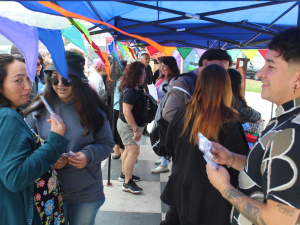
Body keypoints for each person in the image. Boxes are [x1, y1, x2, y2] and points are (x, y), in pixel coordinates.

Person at [206, 27, 300, 225]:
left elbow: (277, 220)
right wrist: (231, 158)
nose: (259, 74)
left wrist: (224, 187)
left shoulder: (292, 134)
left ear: (297, 78)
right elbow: (266, 169)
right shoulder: (286, 119)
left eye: (271, 67)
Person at [23, 51, 114, 225]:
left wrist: (88, 155)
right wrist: (48, 158)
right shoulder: (38, 109)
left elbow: (107, 143)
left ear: (79, 80)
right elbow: (25, 148)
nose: (60, 84)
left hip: (85, 192)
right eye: (54, 78)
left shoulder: (94, 109)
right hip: (46, 192)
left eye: (67, 79)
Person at [161, 64, 248, 225]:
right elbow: (241, 166)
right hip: (211, 198)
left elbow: (169, 146)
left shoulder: (182, 112)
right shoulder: (228, 120)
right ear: (226, 87)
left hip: (183, 187)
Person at [0, 54, 68, 225]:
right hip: (23, 212)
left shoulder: (10, 113)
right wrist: (54, 142)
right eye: (18, 81)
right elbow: (15, 178)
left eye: (28, 79)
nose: (27, 86)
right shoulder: (7, 117)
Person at [162, 49, 232, 122]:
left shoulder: (218, 84)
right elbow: (169, 113)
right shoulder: (184, 82)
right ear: (205, 63)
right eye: (220, 67)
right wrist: (203, 123)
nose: (223, 73)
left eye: (226, 70)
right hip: (190, 132)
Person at [117, 61, 146, 194]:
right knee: (133, 153)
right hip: (128, 126)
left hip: (128, 125)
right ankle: (127, 183)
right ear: (136, 75)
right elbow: (126, 112)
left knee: (128, 152)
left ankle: (125, 174)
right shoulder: (129, 90)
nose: (145, 76)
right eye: (143, 74)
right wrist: (135, 129)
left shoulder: (133, 88)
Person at [151, 56, 180, 174]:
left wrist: (161, 101)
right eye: (161, 66)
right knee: (163, 135)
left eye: (164, 66)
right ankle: (164, 158)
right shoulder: (166, 78)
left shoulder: (175, 80)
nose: (161, 69)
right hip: (162, 111)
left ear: (171, 67)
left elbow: (173, 98)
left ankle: (164, 163)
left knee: (165, 137)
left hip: (168, 114)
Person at [106, 59, 127, 159]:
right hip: (121, 108)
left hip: (114, 108)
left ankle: (116, 151)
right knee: (122, 132)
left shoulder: (111, 79)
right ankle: (123, 154)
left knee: (115, 130)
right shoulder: (123, 80)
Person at [140, 52, 153, 137]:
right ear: (141, 59)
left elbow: (151, 79)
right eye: (146, 59)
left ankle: (145, 129)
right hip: (140, 92)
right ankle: (140, 128)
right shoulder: (139, 68)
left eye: (149, 59)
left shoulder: (149, 68)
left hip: (148, 92)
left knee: (147, 110)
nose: (148, 60)